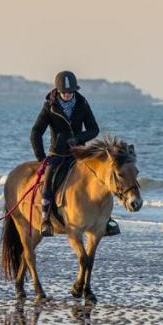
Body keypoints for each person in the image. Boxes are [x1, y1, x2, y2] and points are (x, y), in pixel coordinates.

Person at [30, 70, 117, 236]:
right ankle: (45, 219)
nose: (68, 95)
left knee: (100, 178)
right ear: (58, 91)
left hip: (80, 153)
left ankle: (107, 219)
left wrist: (78, 138)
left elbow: (94, 129)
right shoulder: (50, 106)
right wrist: (41, 157)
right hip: (57, 153)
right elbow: (36, 132)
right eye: (64, 93)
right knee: (49, 181)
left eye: (70, 92)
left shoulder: (82, 103)